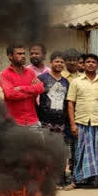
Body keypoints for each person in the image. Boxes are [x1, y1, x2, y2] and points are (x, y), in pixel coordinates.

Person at [66, 54, 98, 189]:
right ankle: (77, 180)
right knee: (80, 152)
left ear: (97, 65)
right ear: (83, 64)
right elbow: (70, 103)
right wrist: (73, 124)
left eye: (94, 62)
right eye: (88, 62)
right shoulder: (76, 81)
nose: (91, 64)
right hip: (81, 122)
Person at [36, 51, 70, 185]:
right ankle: (44, 181)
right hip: (44, 121)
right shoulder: (41, 78)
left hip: (60, 123)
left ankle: (60, 179)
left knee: (60, 152)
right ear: (51, 63)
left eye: (62, 62)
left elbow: (68, 103)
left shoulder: (66, 82)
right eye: (57, 61)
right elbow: (33, 97)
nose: (59, 64)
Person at [0, 44, 44, 126]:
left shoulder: (30, 72)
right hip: (14, 122)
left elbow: (40, 88)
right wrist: (31, 91)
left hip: (32, 120)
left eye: (24, 53)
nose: (23, 56)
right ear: (10, 56)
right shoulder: (4, 74)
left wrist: (20, 88)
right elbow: (10, 94)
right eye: (19, 54)